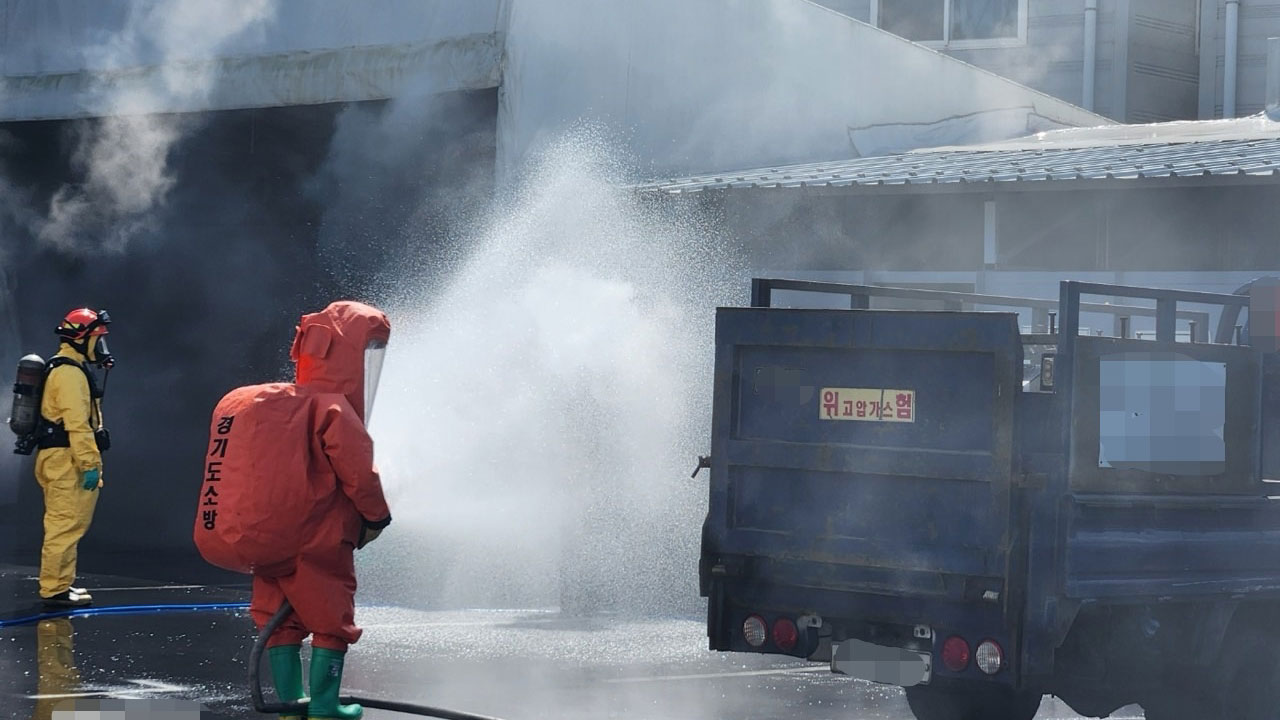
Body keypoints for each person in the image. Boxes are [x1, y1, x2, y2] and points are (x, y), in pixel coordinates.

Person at [194, 301, 391, 720]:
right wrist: (376, 516)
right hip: (314, 540)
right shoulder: (331, 408)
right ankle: (323, 705)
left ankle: (290, 705)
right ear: (349, 355)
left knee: (277, 617)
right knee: (331, 615)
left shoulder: (265, 401)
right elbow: (359, 474)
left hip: (263, 539)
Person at [37, 308, 113, 608]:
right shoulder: (69, 373)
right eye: (97, 340)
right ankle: (54, 590)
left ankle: (61, 585)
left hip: (64, 459)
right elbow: (78, 426)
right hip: (67, 461)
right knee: (64, 525)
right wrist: (90, 465)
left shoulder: (72, 367)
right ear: (82, 339)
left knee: (69, 524)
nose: (101, 347)